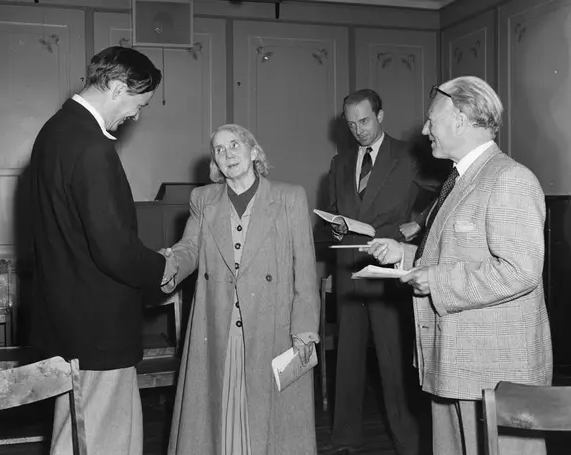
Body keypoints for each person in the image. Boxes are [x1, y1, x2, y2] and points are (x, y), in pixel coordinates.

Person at [364, 76, 553, 455]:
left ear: (462, 119)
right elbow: (455, 253)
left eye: (431, 120)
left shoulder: (510, 179)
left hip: (496, 371)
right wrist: (405, 255)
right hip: (455, 363)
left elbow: (520, 271)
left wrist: (435, 280)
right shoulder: (459, 179)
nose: (424, 130)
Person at [28, 46, 176, 455]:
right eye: (138, 104)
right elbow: (114, 249)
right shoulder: (92, 147)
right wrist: (162, 268)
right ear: (117, 87)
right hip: (99, 325)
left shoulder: (55, 131)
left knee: (76, 431)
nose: (136, 116)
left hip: (68, 320)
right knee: (105, 437)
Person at [163, 124, 320, 455]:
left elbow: (305, 269)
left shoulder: (290, 197)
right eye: (219, 149)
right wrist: (168, 264)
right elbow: (189, 248)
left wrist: (305, 328)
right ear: (214, 162)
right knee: (221, 413)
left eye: (235, 145)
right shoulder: (203, 199)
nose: (228, 153)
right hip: (219, 325)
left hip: (272, 325)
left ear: (254, 152)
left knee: (272, 421)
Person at [327, 89, 439, 455]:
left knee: (393, 360)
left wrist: (419, 223)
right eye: (351, 124)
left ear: (380, 115)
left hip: (388, 268)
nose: (358, 130)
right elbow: (336, 209)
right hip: (348, 268)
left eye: (364, 121)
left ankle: (408, 442)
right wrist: (336, 226)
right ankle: (345, 437)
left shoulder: (408, 154)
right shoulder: (340, 162)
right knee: (347, 357)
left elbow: (447, 192)